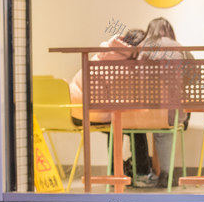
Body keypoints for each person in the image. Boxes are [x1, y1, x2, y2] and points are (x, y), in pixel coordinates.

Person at [69, 28, 155, 186]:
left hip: (75, 112)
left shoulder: (103, 53)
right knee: (133, 127)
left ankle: (114, 173)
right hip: (94, 114)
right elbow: (127, 100)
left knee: (116, 123)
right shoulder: (124, 66)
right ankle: (141, 174)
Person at [137, 17, 195, 188]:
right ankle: (166, 174)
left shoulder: (142, 48)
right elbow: (191, 79)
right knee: (167, 124)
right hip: (169, 113)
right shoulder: (179, 48)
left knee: (154, 122)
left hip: (141, 115)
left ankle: (139, 174)